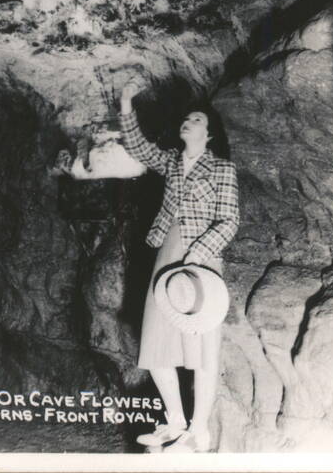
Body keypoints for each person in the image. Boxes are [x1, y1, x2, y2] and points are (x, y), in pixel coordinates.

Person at [120, 79, 239, 452]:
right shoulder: (171, 161)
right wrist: (126, 104)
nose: (187, 122)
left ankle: (198, 428)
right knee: (155, 343)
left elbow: (230, 220)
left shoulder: (223, 170)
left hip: (201, 263)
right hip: (166, 254)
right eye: (186, 118)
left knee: (201, 347)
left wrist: (199, 252)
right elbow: (138, 146)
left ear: (210, 134)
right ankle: (173, 422)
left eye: (197, 119)